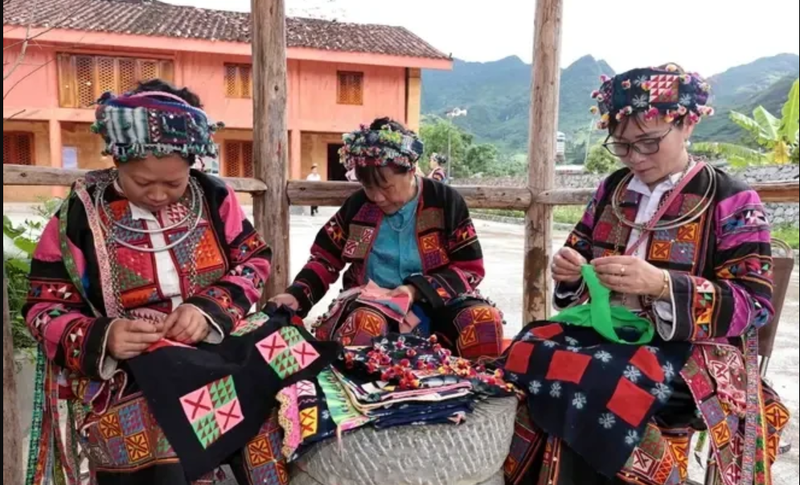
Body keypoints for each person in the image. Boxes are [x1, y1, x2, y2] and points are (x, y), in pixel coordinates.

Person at [503, 65, 790, 484]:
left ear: (687, 123)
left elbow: (755, 304)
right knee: (523, 352)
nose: (636, 158)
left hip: (691, 350)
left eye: (649, 143)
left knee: (598, 384)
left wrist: (661, 285)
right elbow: (577, 258)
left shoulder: (731, 198)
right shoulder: (612, 191)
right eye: (622, 147)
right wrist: (568, 273)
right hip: (606, 337)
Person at [22, 80, 283, 485]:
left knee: (286, 369)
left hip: (214, 344)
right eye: (143, 183)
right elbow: (44, 307)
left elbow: (253, 260)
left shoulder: (214, 197)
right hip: (135, 366)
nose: (160, 194)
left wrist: (208, 309)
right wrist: (104, 336)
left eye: (174, 183)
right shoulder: (79, 214)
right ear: (116, 160)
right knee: (164, 420)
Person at [271, 117, 504, 360]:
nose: (377, 197)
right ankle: (361, 396)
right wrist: (297, 295)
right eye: (369, 188)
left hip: (440, 303)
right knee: (364, 324)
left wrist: (416, 290)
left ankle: (479, 394)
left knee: (483, 321)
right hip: (374, 304)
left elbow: (469, 269)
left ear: (411, 170)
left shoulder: (445, 202)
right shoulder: (358, 206)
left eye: (387, 187)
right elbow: (324, 260)